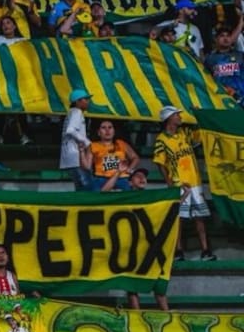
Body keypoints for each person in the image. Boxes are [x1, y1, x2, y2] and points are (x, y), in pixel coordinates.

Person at [153, 105, 216, 261]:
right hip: (179, 184)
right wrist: (169, 183)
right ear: (169, 118)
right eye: (177, 115)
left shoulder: (185, 132)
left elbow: (201, 133)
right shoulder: (161, 140)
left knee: (199, 217)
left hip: (195, 182)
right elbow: (160, 163)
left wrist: (199, 114)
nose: (180, 117)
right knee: (178, 218)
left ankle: (205, 250)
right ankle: (178, 251)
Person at [89, 120, 141, 192]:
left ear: (114, 131)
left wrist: (129, 169)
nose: (107, 130)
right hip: (101, 179)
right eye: (103, 127)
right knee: (99, 197)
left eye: (110, 127)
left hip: (122, 178)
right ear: (98, 132)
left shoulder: (121, 143)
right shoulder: (93, 145)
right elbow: (87, 165)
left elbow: (135, 158)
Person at [60, 88, 93, 191]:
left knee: (80, 186)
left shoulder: (72, 112)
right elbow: (70, 130)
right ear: (77, 102)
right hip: (76, 155)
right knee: (85, 185)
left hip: (71, 154)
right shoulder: (77, 112)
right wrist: (86, 142)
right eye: (85, 99)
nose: (88, 102)